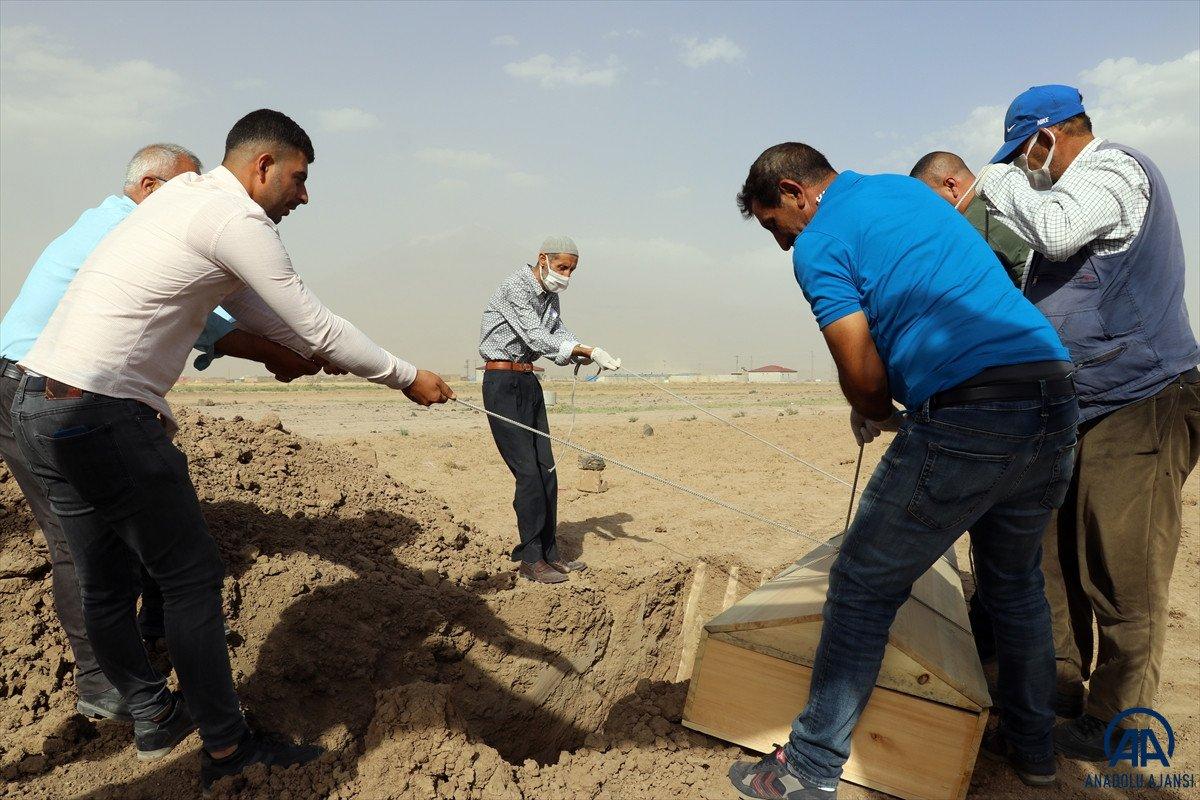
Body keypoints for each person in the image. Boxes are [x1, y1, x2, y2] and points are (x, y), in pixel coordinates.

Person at [12, 109, 453, 791]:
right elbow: (313, 320)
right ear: (263, 166)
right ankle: (228, 747)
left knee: (102, 578)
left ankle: (151, 715)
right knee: (190, 577)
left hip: (40, 403)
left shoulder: (185, 200)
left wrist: (304, 353)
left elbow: (261, 317)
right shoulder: (234, 217)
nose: (303, 197)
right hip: (105, 411)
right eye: (300, 180)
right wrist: (405, 376)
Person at [726, 142, 1078, 798]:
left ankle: (806, 769)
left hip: (972, 411)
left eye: (776, 225)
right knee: (1015, 584)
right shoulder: (907, 192)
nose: (782, 244)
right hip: (1053, 397)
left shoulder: (819, 241)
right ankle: (1033, 751)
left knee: (861, 585)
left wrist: (873, 407)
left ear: (795, 193)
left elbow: (859, 363)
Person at [0, 143, 328, 724]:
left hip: (60, 389)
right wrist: (287, 353)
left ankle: (147, 647)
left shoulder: (115, 221)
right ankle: (107, 688)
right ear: (151, 188)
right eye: (184, 187)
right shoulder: (128, 230)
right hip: (37, 388)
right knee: (81, 549)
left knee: (123, 536)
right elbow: (209, 320)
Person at [973, 84, 1200, 760]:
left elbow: (1058, 227)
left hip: (1143, 400)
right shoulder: (1061, 199)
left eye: (1024, 155)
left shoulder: (1113, 169)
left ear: (1047, 137)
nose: (1023, 169)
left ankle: (1118, 728)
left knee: (1120, 575)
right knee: (1054, 561)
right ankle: (1056, 695)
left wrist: (993, 179)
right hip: (1081, 408)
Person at [477, 236, 620, 584]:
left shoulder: (550, 296)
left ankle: (550, 554)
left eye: (572, 270)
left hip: (528, 383)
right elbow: (535, 335)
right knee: (528, 474)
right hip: (502, 384)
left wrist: (583, 352)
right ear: (543, 259)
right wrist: (581, 347)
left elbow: (557, 332)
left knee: (547, 471)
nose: (566, 275)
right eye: (562, 267)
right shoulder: (516, 286)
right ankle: (530, 559)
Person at [909, 151, 1030, 287]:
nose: (931, 211)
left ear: (951, 186)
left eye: (930, 201)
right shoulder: (1004, 192)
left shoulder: (970, 230)